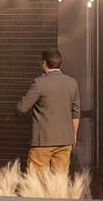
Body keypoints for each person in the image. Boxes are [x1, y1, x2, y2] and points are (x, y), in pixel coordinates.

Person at [17, 47, 81, 179]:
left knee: (37, 181)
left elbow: (22, 108)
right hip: (65, 140)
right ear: (60, 64)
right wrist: (73, 135)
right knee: (59, 181)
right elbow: (76, 112)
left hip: (42, 141)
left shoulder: (39, 83)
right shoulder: (72, 83)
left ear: (44, 63)